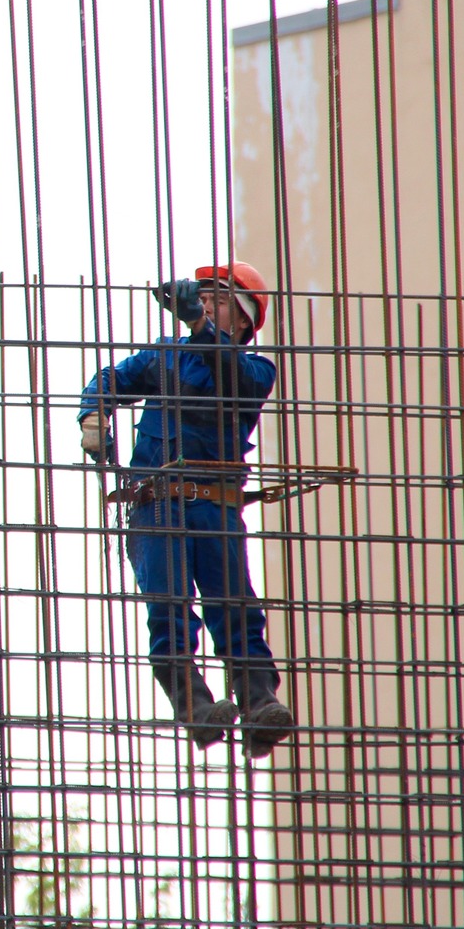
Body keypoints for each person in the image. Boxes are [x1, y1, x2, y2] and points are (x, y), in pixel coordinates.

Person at [77, 260, 294, 757]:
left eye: (218, 301)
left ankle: (259, 704)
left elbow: (230, 370)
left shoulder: (255, 369)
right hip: (157, 506)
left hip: (215, 506)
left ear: (243, 320)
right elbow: (111, 377)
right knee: (169, 609)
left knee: (234, 606)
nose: (204, 306)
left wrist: (198, 325)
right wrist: (94, 412)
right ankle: (195, 709)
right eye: (202, 299)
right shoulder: (164, 358)